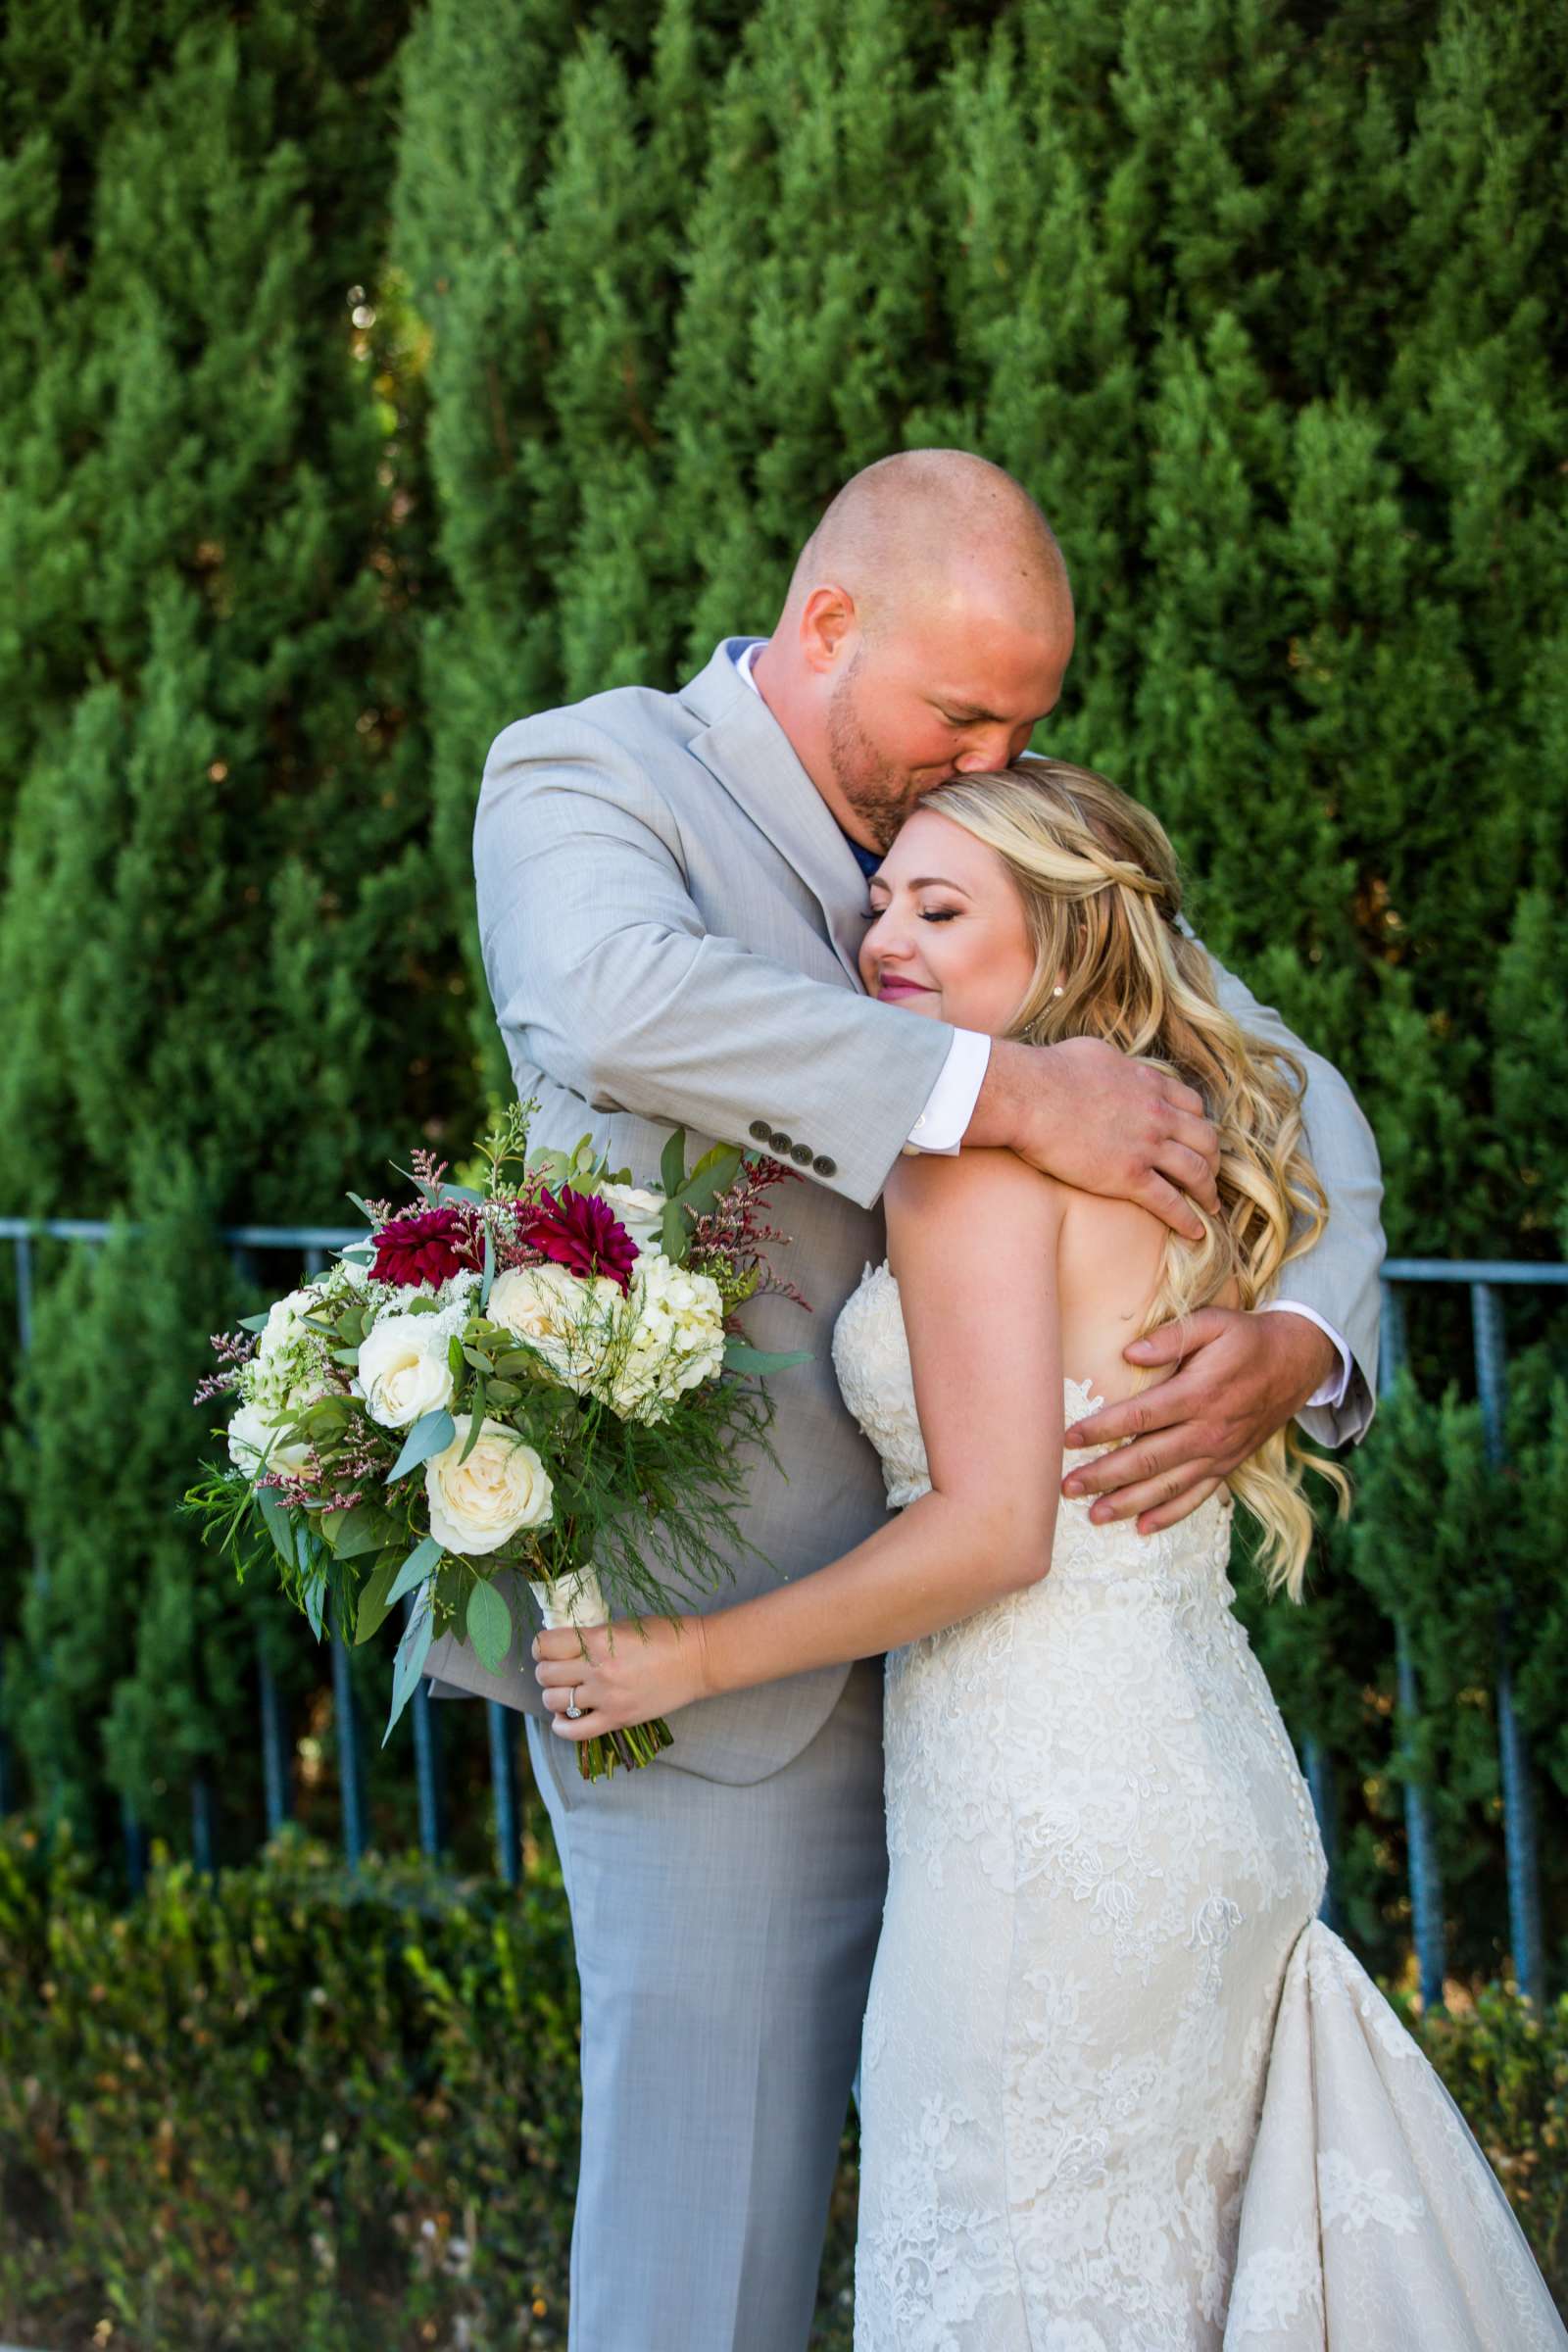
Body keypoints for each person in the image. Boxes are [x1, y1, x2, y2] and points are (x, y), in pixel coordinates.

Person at [426, 450, 1385, 2352]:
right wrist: (1005, 1092)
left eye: (1025, 724)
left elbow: (1287, 1083)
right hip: (714, 1666)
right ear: (827, 621)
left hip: (1030, 1685)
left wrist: (1302, 1343)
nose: (989, 758)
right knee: (712, 2267)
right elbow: (615, 1000)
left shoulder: (986, 820)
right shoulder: (588, 776)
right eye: (962, 712)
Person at [536, 761, 1563, 2351]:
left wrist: (687, 1655)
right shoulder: (1179, 1149)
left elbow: (995, 1533)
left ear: (1074, 943)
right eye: (882, 901)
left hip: (1043, 1840)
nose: (886, 939)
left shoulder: (969, 1154)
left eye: (943, 911)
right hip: (1208, 1799)